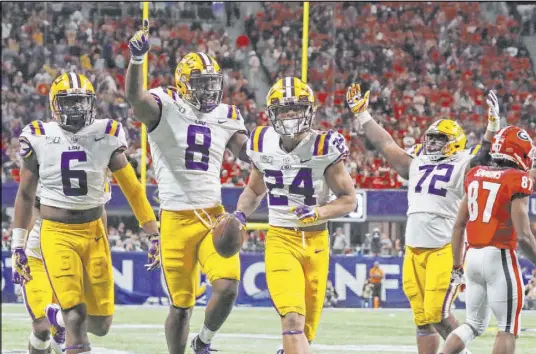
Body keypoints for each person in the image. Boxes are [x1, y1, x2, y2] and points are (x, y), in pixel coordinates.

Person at [346, 84, 502, 354]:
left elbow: (483, 156)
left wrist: (492, 127)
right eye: (431, 137)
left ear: (454, 142)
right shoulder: (417, 162)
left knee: (437, 312)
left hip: (442, 249)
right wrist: (363, 115)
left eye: (439, 139)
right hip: (413, 250)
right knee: (421, 318)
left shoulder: (463, 162)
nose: (431, 143)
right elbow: (386, 144)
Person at [11, 72, 160, 354]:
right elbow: (26, 194)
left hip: (92, 233)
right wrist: (17, 243)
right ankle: (60, 318)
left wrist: (153, 231)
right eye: (69, 102)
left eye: (81, 102)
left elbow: (132, 188)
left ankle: (58, 317)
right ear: (55, 106)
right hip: (54, 232)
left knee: (101, 323)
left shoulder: (106, 133)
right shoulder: (39, 136)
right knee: (70, 318)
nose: (76, 109)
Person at [125, 21, 250, 354]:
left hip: (213, 215)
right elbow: (135, 98)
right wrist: (137, 61)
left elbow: (246, 153)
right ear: (183, 84)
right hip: (176, 219)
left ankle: (203, 342)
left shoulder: (227, 114)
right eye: (201, 83)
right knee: (181, 306)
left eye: (213, 83)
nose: (209, 91)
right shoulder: (165, 105)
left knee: (227, 287)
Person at [234, 76, 357, 354]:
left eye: (296, 109)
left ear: (310, 110)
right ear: (272, 114)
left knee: (306, 332)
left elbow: (349, 200)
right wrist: (240, 216)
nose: (290, 116)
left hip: (316, 244)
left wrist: (319, 212)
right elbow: (253, 192)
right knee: (291, 319)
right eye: (284, 110)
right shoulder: (261, 141)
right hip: (280, 239)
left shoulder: (324, 146)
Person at [441, 125, 536, 354]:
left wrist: (457, 266)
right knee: (507, 328)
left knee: (472, 324)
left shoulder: (475, 174)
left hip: (471, 257)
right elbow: (523, 236)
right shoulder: (517, 179)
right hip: (499, 256)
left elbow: (458, 225)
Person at [19, 181, 111, 354]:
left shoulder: (96, 174)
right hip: (38, 258)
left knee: (80, 321)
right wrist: (19, 248)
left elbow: (101, 213)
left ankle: (60, 324)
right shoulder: (48, 171)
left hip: (67, 261)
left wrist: (104, 248)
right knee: (42, 327)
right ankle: (58, 325)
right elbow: (30, 209)